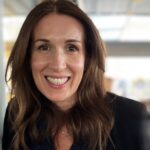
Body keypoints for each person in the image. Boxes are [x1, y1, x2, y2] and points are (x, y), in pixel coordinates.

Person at [2, 0, 148, 150]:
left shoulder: (132, 117)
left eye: (71, 48)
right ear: (27, 57)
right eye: (43, 47)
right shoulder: (17, 113)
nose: (58, 65)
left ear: (88, 58)